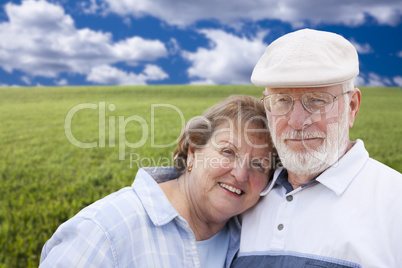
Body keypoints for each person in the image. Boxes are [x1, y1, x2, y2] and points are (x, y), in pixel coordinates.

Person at [39, 95, 277, 268]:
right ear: (193, 152)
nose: (241, 174)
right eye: (228, 152)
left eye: (259, 164)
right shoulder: (104, 231)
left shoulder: (249, 239)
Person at [232, 29, 402, 267]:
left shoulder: (395, 201)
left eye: (317, 100)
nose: (297, 121)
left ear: (352, 106)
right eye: (281, 100)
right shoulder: (243, 198)